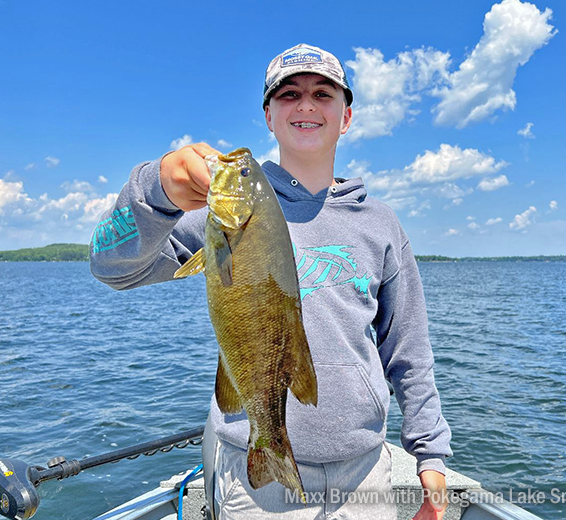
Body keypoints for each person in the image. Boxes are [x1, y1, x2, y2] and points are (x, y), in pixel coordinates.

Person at [90, 43, 452, 520]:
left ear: (346, 116)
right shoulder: (221, 219)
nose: (305, 104)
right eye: (288, 94)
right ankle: (269, 440)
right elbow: (111, 266)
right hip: (251, 475)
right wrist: (157, 187)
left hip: (364, 473)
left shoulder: (380, 223)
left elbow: (408, 350)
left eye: (323, 94)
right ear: (267, 114)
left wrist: (430, 454)